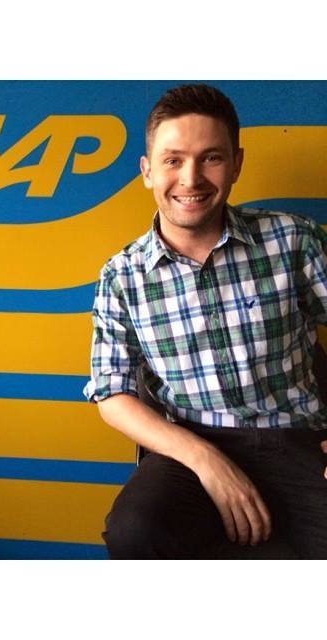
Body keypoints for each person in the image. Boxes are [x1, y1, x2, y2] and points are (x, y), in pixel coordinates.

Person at [83, 83, 327, 559]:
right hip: (189, 445)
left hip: (296, 439)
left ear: (236, 163)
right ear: (147, 171)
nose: (190, 179)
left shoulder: (292, 240)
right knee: (134, 532)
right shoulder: (122, 275)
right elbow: (111, 394)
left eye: (210, 158)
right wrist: (204, 458)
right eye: (173, 160)